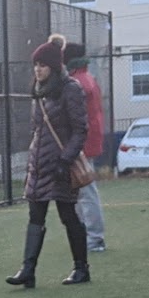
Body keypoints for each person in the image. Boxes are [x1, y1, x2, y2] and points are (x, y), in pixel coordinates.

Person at [7, 34, 91, 288]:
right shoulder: (39, 92)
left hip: (61, 168)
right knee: (35, 217)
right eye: (35, 65)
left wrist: (65, 160)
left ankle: (81, 268)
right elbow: (37, 130)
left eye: (42, 65)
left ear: (53, 67)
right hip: (39, 166)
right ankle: (28, 270)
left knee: (68, 216)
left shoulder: (70, 89)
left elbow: (80, 130)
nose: (37, 69)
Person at [63, 41, 107, 254]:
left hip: (81, 143)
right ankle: (88, 236)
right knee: (82, 190)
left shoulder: (77, 82)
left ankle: (94, 238)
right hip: (87, 141)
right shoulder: (87, 78)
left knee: (85, 191)